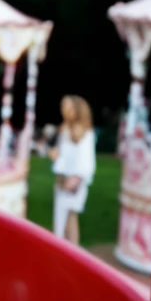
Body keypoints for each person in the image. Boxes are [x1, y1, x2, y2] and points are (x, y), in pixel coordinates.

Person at [52, 93, 97, 242]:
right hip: (63, 179)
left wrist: (76, 178)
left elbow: (86, 161)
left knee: (71, 217)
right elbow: (64, 157)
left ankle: (72, 252)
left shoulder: (86, 133)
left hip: (74, 181)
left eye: (68, 107)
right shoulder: (64, 131)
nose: (64, 110)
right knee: (61, 218)